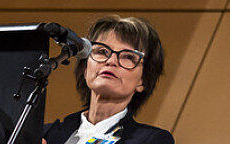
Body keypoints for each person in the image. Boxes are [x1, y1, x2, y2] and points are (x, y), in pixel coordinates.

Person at [42, 15, 174, 144]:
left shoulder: (153, 140)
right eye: (102, 51)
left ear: (143, 80)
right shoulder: (44, 134)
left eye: (128, 57)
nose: (111, 61)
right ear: (85, 68)